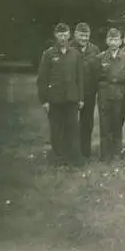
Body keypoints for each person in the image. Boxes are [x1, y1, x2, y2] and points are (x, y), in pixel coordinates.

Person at [37, 23, 84, 166]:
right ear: (55, 36)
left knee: (72, 129)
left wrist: (81, 98)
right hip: (55, 99)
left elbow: (79, 78)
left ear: (69, 35)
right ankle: (58, 158)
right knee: (56, 129)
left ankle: (73, 158)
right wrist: (44, 100)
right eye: (60, 35)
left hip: (71, 98)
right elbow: (42, 78)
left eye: (65, 35)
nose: (63, 38)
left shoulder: (75, 54)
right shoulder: (48, 54)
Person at [96, 28, 125, 162]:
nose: (113, 42)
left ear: (120, 41)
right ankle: (105, 153)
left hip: (119, 94)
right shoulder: (100, 57)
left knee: (117, 124)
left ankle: (116, 153)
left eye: (116, 39)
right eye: (111, 39)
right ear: (106, 40)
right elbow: (96, 77)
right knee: (104, 124)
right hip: (105, 94)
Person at [70, 22, 101, 159]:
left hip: (89, 92)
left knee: (87, 123)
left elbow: (99, 72)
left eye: (87, 35)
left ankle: (85, 152)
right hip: (72, 92)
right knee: (70, 123)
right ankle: (71, 152)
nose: (84, 38)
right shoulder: (69, 48)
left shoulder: (95, 50)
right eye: (81, 35)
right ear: (75, 34)